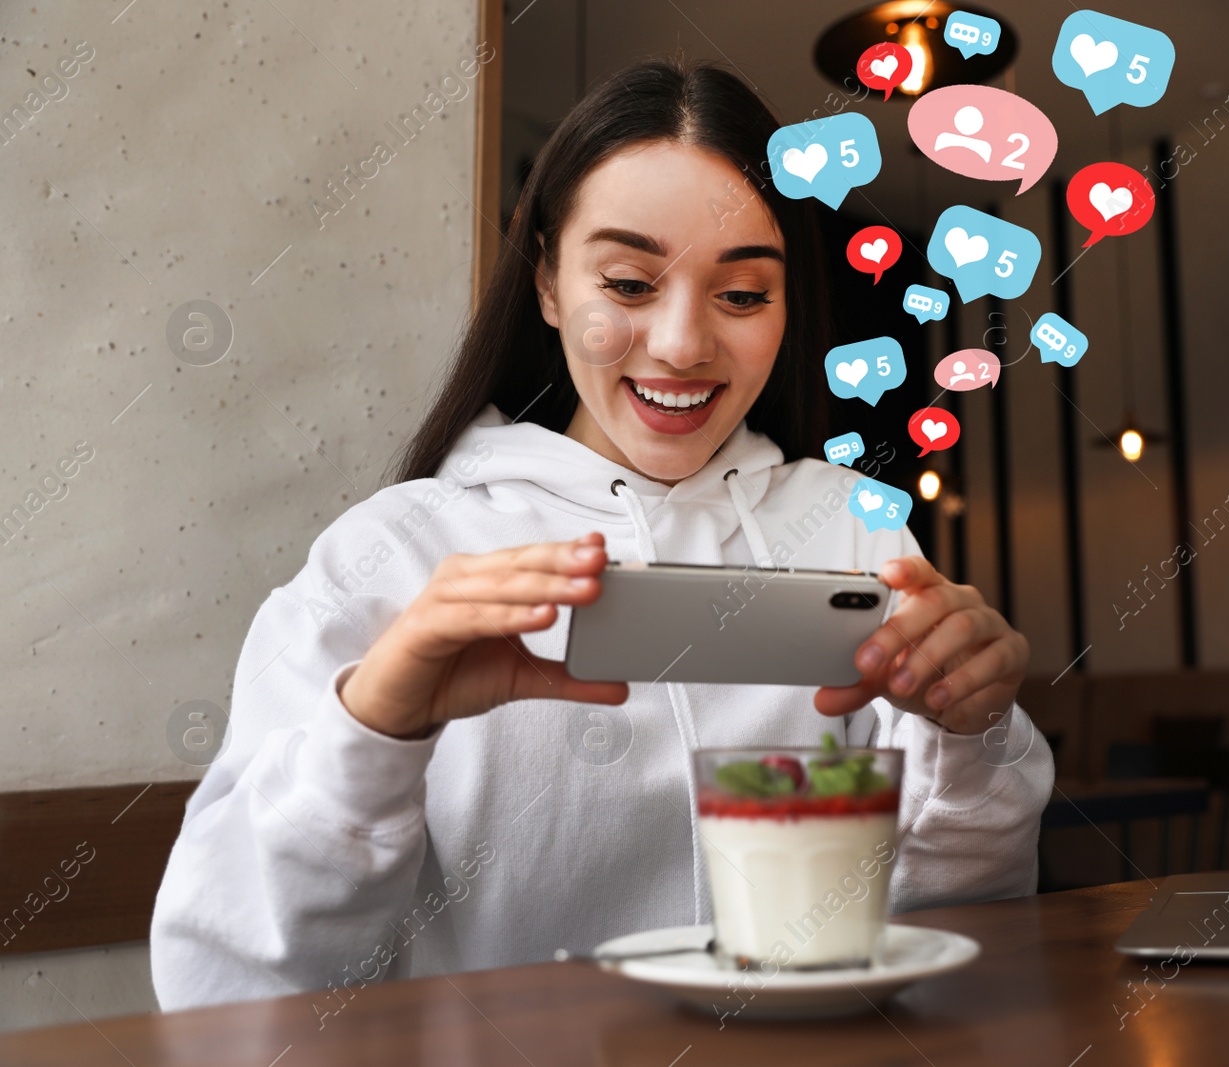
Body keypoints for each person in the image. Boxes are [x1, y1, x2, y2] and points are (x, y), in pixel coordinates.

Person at [150, 56, 1053, 1012]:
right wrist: (373, 724)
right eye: (627, 282)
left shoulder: (855, 530)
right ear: (545, 281)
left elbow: (960, 934)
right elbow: (227, 987)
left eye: (742, 295)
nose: (680, 343)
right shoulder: (396, 554)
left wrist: (973, 735)